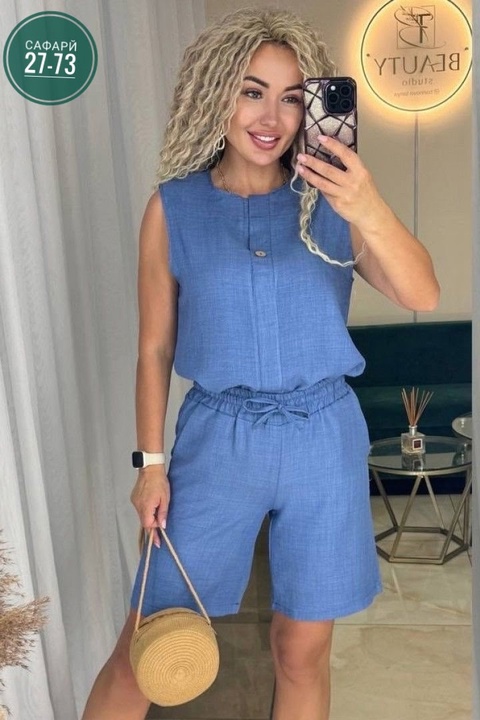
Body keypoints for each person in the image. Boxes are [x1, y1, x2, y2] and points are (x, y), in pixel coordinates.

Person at [82, 7, 439, 720]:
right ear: (217, 93)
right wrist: (149, 464)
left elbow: (421, 293)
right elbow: (154, 347)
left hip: (323, 438)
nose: (271, 116)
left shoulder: (334, 202)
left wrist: (366, 202)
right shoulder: (174, 209)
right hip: (218, 440)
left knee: (301, 653)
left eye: (291, 96)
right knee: (146, 646)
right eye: (252, 91)